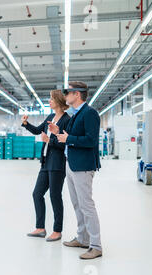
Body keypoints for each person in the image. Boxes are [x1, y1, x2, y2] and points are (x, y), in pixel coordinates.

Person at [48, 81, 102, 260]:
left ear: (77, 94)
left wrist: (69, 138)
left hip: (83, 166)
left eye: (67, 92)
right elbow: (70, 137)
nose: (65, 95)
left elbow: (91, 140)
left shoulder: (90, 113)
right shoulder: (76, 114)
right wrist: (58, 132)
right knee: (77, 204)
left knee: (86, 205)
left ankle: (96, 245)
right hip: (71, 164)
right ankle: (82, 238)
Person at [22, 90, 71, 242]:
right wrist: (25, 124)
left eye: (51, 99)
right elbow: (38, 130)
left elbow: (65, 144)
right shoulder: (50, 117)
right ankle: (40, 228)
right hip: (45, 161)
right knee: (37, 194)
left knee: (55, 196)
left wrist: (50, 141)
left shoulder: (66, 120)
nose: (49, 101)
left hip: (57, 163)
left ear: (58, 101)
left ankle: (57, 230)